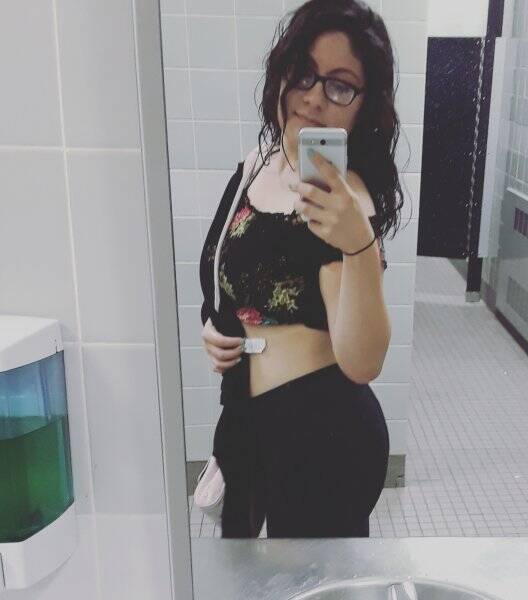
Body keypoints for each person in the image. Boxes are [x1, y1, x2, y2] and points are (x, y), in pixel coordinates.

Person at [198, 0, 404, 539]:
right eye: (305, 73)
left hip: (322, 436)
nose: (314, 97)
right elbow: (219, 277)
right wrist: (213, 330)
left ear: (364, 105)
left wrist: (358, 244)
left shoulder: (348, 200)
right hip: (245, 421)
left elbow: (362, 360)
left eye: (340, 86)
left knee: (312, 582)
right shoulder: (253, 169)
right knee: (244, 573)